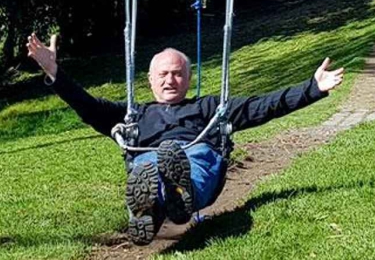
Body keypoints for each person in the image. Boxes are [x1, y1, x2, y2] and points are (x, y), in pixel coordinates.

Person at [25, 33, 344, 243]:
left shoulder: (209, 108)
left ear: (189, 78)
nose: (170, 80)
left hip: (197, 152)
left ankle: (178, 195)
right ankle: (150, 210)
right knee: (148, 166)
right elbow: (89, 107)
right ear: (150, 80)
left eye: (177, 73)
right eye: (162, 74)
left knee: (190, 162)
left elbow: (263, 106)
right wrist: (55, 74)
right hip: (148, 156)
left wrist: (312, 89)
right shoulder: (135, 115)